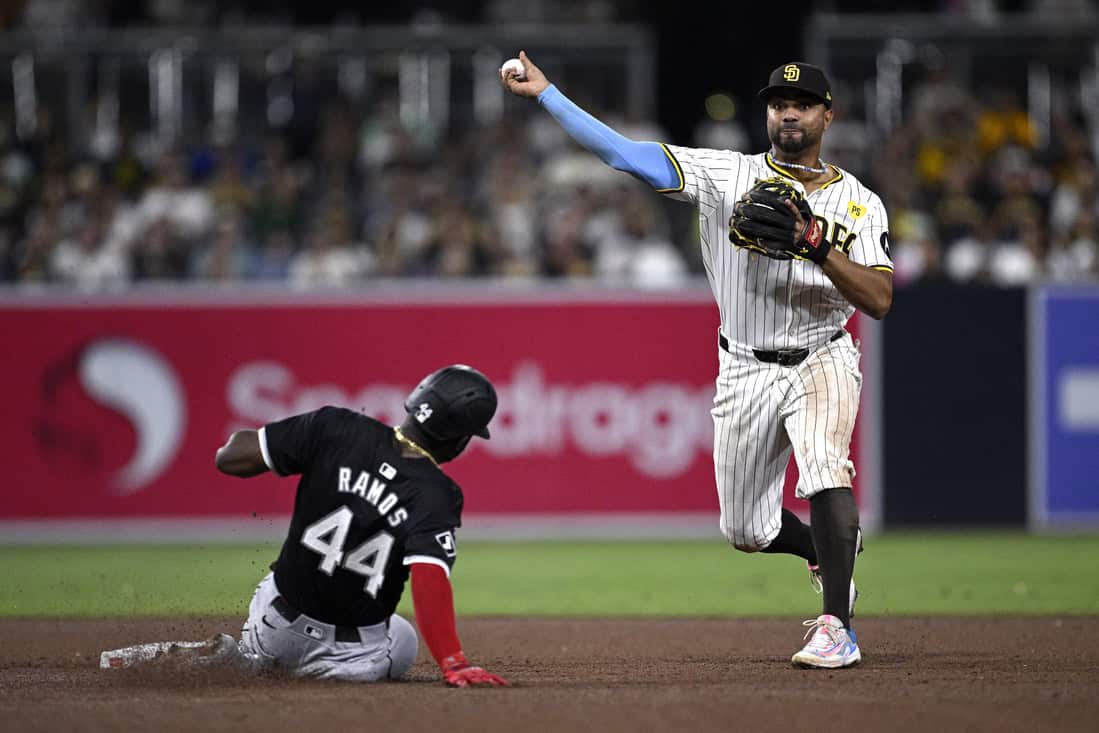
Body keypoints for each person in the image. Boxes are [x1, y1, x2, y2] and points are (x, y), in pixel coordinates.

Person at [503, 54, 893, 668]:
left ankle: (837, 626)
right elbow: (623, 155)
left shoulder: (861, 203)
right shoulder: (725, 175)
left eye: (802, 104)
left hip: (823, 353)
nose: (788, 112)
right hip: (743, 366)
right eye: (777, 104)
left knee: (825, 471)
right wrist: (549, 94)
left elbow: (878, 299)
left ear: (826, 115)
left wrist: (816, 245)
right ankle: (822, 548)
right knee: (746, 530)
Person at [212, 364, 509, 686]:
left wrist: (286, 441)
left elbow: (230, 459)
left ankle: (249, 658)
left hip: (272, 624)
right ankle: (304, 670)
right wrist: (454, 663)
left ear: (416, 399)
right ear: (460, 439)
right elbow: (429, 578)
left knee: (277, 601)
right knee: (403, 636)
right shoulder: (437, 493)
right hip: (346, 658)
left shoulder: (335, 427)